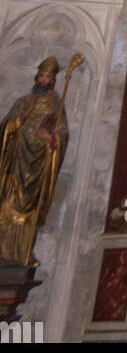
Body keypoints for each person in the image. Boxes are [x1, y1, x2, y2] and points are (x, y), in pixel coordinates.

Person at [0, 57, 71, 264]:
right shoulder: (23, 101)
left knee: (29, 212)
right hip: (16, 162)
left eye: (48, 77)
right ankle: (3, 252)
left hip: (38, 166)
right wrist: (21, 119)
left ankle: (23, 254)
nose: (44, 80)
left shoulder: (56, 105)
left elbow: (63, 133)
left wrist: (50, 138)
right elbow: (5, 129)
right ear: (36, 77)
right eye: (41, 76)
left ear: (52, 81)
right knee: (7, 207)